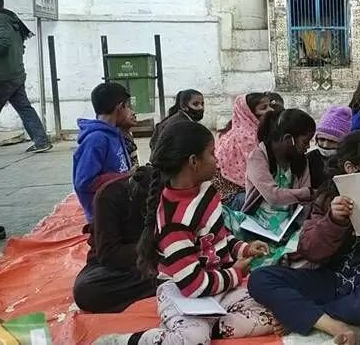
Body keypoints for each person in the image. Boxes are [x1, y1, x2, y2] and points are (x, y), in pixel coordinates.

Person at [93, 121, 280, 345]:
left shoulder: (207, 191)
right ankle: (125, 341)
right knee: (193, 340)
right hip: (183, 291)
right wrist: (237, 271)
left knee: (273, 312)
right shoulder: (174, 221)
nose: (217, 159)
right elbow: (193, 285)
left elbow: (220, 237)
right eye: (212, 154)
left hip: (217, 285)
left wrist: (244, 248)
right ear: (193, 162)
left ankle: (209, 325)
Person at [247, 130, 360, 345]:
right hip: (329, 278)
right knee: (260, 278)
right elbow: (311, 250)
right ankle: (339, 325)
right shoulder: (328, 198)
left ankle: (308, 316)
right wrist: (334, 220)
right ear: (351, 168)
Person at [72, 170, 157, 313]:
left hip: (173, 260)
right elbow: (109, 254)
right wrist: (160, 247)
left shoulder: (195, 186)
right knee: (87, 290)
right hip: (131, 264)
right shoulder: (110, 194)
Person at [0, 0, 51, 153]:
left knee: (23, 108)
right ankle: (41, 141)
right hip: (16, 74)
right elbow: (20, 46)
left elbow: (4, 42)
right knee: (24, 108)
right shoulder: (11, 20)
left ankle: (41, 140)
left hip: (2, 77)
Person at [73, 83, 133, 224]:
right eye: (128, 106)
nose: (130, 111)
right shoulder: (96, 139)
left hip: (118, 204)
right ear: (120, 107)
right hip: (104, 216)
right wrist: (125, 177)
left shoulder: (115, 133)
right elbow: (84, 182)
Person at [241, 108, 316, 215]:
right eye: (305, 141)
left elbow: (305, 204)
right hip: (256, 223)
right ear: (288, 139)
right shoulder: (258, 157)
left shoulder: (301, 161)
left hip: (289, 224)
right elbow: (273, 196)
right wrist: (307, 193)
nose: (308, 147)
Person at [213, 92, 282, 204]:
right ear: (249, 113)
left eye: (270, 106)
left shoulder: (254, 131)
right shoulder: (246, 136)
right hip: (231, 194)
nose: (270, 110)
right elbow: (258, 176)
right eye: (264, 108)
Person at [307, 106, 352, 189]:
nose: (325, 145)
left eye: (332, 141)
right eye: (322, 139)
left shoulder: (349, 161)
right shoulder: (308, 159)